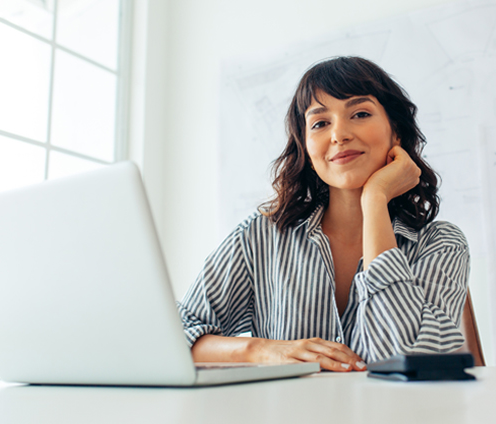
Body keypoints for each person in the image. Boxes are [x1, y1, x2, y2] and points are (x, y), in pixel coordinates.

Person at [177, 56, 470, 372]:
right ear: (305, 145)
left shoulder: (442, 243)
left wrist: (375, 200)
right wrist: (258, 349)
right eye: (319, 123)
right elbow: (175, 336)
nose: (339, 134)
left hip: (397, 420)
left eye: (359, 114)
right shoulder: (259, 236)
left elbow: (408, 360)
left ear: (395, 131)